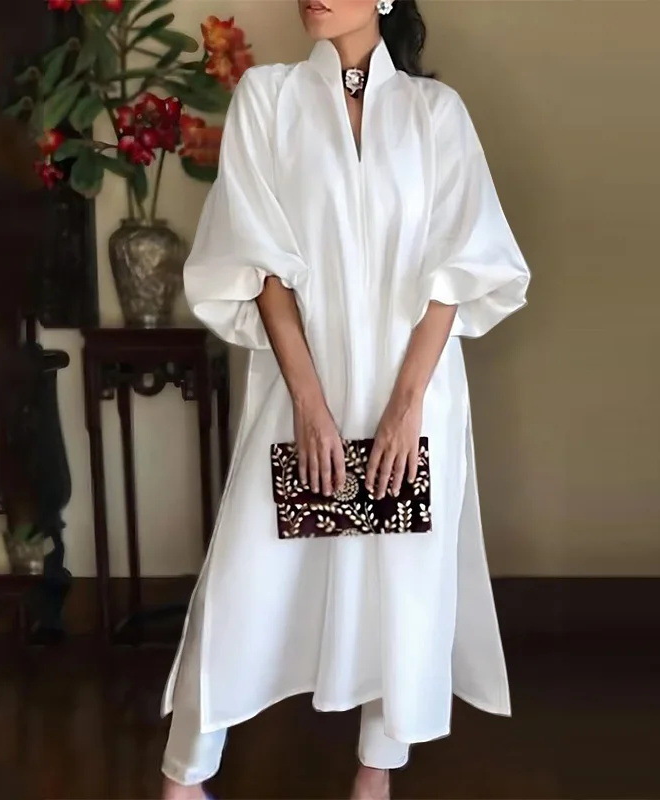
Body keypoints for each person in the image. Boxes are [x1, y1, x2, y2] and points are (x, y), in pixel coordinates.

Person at [160, 1, 531, 798]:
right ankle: (184, 780)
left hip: (416, 394)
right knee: (244, 580)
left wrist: (405, 408)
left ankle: (375, 776)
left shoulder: (436, 113)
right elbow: (261, 264)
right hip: (303, 383)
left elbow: (459, 272)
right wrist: (309, 404)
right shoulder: (268, 98)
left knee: (402, 587)